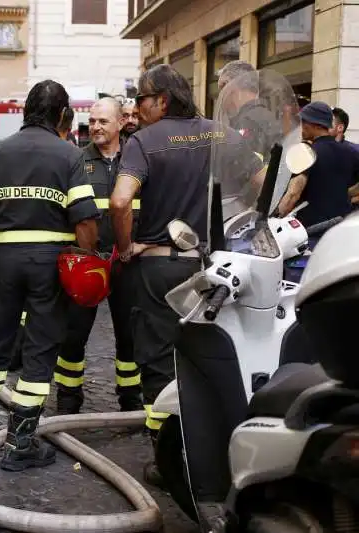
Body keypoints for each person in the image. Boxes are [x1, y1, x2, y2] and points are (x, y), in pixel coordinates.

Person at [110, 64, 264, 531]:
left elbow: (119, 201)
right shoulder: (220, 134)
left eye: (142, 98)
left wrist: (123, 248)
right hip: (213, 267)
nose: (136, 107)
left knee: (158, 363)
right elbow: (263, 182)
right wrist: (246, 225)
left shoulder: (144, 141)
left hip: (160, 266)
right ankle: (220, 449)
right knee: (210, 355)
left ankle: (169, 460)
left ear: (163, 99)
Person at [0, 80, 100, 472]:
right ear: (63, 115)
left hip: (3, 262)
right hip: (49, 265)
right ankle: (22, 441)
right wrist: (87, 260)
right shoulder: (69, 155)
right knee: (40, 350)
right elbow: (86, 219)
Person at [53, 97, 143, 415]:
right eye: (91, 121)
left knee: (129, 333)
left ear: (121, 122)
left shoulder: (138, 158)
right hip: (88, 262)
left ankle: (131, 396)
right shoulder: (77, 160)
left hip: (126, 262)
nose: (95, 127)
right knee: (74, 332)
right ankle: (68, 396)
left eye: (103, 121)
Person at [277, 101, 359, 228]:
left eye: (303, 122)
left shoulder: (307, 153)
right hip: (339, 227)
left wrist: (275, 217)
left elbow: (293, 194)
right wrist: (345, 194)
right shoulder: (350, 152)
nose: (301, 127)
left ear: (314, 124)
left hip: (311, 230)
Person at [216, 61, 280, 161]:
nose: (220, 95)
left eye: (221, 88)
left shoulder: (248, 121)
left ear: (230, 86)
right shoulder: (264, 116)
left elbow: (243, 170)